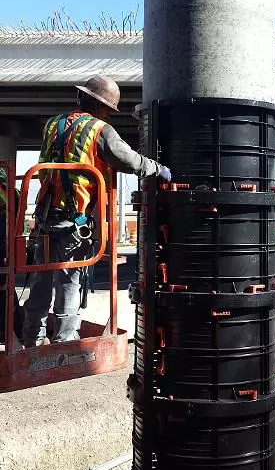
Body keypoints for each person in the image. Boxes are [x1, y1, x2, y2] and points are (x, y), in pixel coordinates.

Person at [22, 75, 171, 347]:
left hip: (45, 215)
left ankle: (33, 337)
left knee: (42, 278)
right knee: (69, 278)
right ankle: (65, 342)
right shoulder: (100, 130)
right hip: (73, 218)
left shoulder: (53, 124)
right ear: (101, 106)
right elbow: (126, 159)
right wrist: (155, 168)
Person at [0, 167, 24, 342]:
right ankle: (15, 328)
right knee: (6, 286)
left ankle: (11, 328)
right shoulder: (9, 188)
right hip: (7, 242)